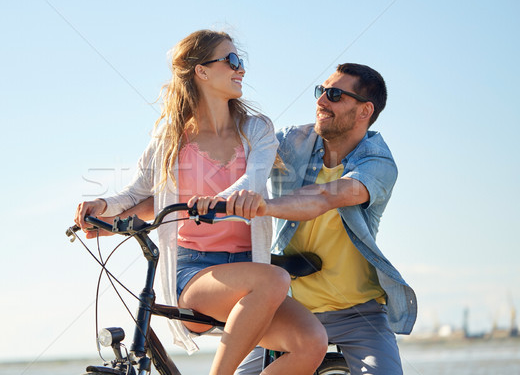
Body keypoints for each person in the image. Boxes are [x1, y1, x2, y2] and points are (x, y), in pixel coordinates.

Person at [74, 30, 327, 375]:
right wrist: (103, 205)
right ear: (202, 71)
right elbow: (136, 193)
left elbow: (252, 181)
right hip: (195, 273)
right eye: (232, 61)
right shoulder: (170, 138)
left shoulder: (256, 130)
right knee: (274, 279)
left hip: (251, 269)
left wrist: (219, 200)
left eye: (241, 62)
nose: (241, 70)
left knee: (311, 343)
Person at [226, 63, 417, 375]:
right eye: (321, 91)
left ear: (364, 110)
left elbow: (328, 196)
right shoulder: (290, 142)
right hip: (286, 310)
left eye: (334, 94)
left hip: (359, 314)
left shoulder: (377, 162)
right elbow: (232, 156)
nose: (320, 101)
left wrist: (264, 206)